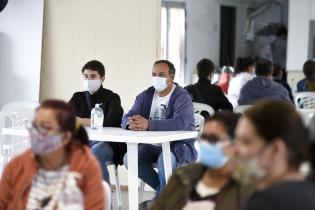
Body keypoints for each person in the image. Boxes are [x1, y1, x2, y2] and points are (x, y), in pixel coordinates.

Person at [0, 100, 105, 210]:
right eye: (34, 126)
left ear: (65, 137)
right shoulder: (17, 165)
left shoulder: (86, 167)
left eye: (46, 127)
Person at [121, 60, 197, 209]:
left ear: (171, 77)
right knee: (129, 158)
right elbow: (126, 117)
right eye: (154, 74)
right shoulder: (145, 95)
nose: (157, 78)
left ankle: (161, 200)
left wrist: (148, 124)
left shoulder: (182, 96)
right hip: (152, 146)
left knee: (165, 159)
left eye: (161, 75)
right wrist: (131, 123)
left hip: (178, 147)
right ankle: (168, 194)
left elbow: (180, 123)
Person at [151, 111, 254, 210]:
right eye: (204, 138)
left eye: (213, 139)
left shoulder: (251, 188)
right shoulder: (182, 176)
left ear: (235, 144)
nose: (206, 144)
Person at [234, 100, 315, 210]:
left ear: (276, 149)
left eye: (246, 142)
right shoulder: (308, 192)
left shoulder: (265, 202)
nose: (236, 149)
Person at [69, 60, 125, 184]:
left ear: (102, 78)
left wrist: (81, 121)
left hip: (106, 143)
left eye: (93, 76)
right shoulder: (77, 97)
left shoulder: (112, 97)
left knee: (95, 152)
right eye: (86, 76)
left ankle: (105, 200)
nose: (89, 80)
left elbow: (112, 121)